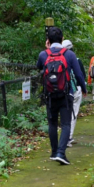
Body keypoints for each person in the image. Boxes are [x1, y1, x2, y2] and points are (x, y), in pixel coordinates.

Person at [37, 27, 87, 165]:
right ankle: (61, 153)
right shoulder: (69, 54)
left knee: (52, 124)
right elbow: (78, 74)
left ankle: (54, 153)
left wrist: (46, 50)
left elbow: (38, 66)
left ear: (48, 40)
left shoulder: (43, 54)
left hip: (49, 95)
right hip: (66, 94)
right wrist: (83, 88)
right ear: (62, 39)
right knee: (66, 124)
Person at [61, 40, 86, 147]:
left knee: (64, 114)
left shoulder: (58, 59)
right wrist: (84, 88)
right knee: (73, 114)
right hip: (74, 90)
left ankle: (64, 137)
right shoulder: (76, 60)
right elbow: (81, 76)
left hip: (61, 90)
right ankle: (68, 137)